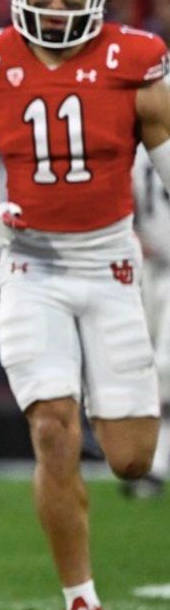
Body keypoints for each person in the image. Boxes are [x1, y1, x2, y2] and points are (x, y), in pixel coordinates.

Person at [0, 0, 170, 610]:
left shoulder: (136, 62)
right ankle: (81, 599)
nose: (52, 7)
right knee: (52, 429)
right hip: (31, 268)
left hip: (109, 267)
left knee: (134, 456)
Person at [130, 146, 170, 497]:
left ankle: (156, 464)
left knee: (165, 367)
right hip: (148, 270)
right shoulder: (142, 149)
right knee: (143, 366)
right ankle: (150, 462)